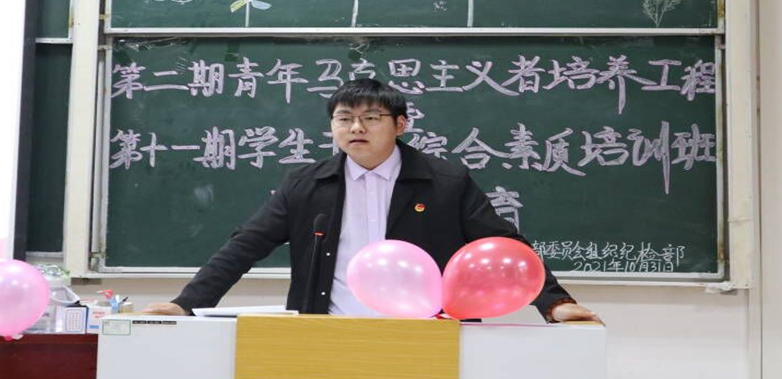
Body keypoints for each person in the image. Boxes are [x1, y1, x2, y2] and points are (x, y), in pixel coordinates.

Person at [144, 79, 600, 323]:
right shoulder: (306, 184)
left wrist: (555, 303)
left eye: (371, 118)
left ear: (400, 125)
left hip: (426, 334)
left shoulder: (445, 181)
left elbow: (506, 247)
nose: (355, 128)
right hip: (327, 331)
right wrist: (186, 303)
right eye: (344, 119)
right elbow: (244, 246)